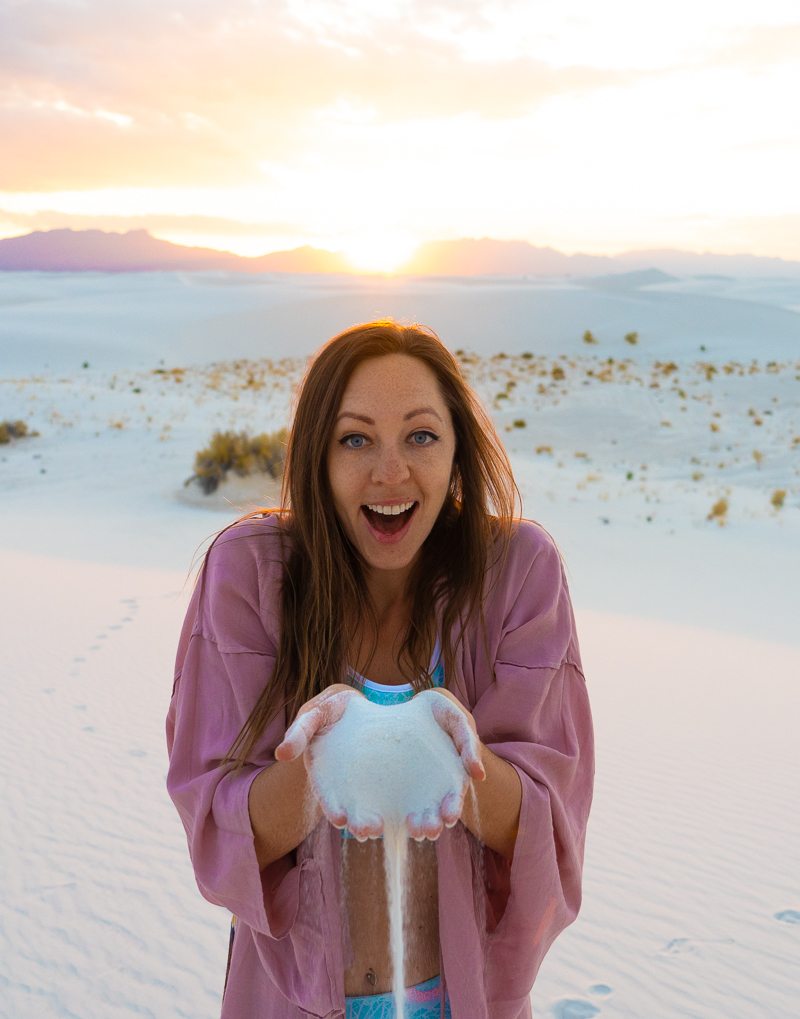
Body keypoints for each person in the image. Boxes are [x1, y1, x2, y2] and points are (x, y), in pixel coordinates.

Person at [166, 320, 595, 1019]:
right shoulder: (248, 573)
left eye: (421, 436)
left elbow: (551, 823)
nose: (390, 472)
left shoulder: (519, 571)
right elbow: (215, 830)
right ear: (317, 455)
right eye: (355, 438)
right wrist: (320, 766)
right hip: (286, 1002)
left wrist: (457, 759)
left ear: (457, 451)